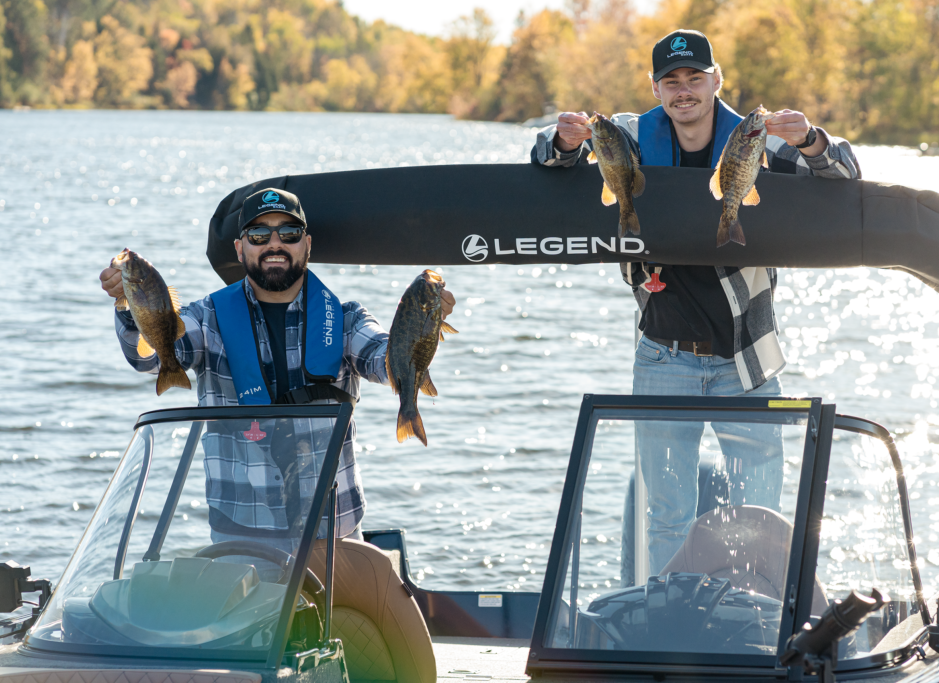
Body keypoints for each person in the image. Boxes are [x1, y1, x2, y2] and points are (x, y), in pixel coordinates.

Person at [532, 30, 862, 578]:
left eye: (695, 78)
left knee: (761, 520)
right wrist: (564, 141)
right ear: (655, 88)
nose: (683, 90)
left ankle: (754, 617)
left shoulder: (755, 137)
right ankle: (667, 615)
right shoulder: (629, 135)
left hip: (748, 361)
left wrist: (811, 140)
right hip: (662, 359)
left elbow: (846, 174)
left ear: (716, 81)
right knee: (666, 517)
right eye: (671, 81)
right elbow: (547, 157)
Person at [99, 188, 456, 561]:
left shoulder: (347, 319)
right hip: (239, 538)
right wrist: (129, 304)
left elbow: (386, 362)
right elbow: (149, 360)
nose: (274, 244)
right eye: (258, 235)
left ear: (307, 245)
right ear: (240, 249)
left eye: (289, 233)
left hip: (335, 531)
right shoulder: (206, 319)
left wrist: (423, 325)